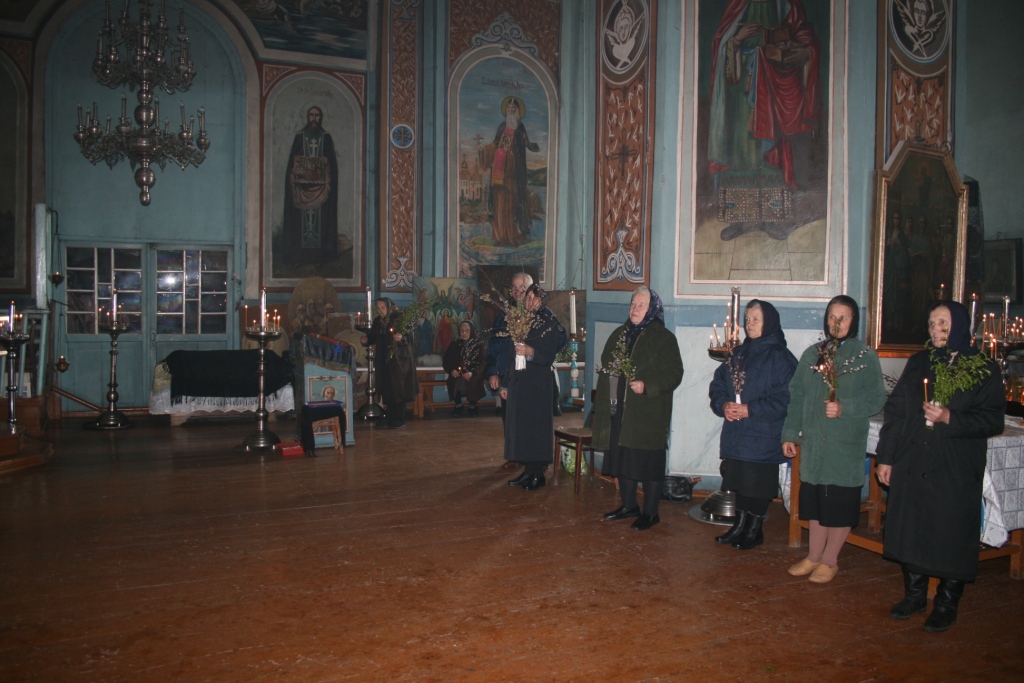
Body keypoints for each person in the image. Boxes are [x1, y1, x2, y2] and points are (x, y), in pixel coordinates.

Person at [875, 301, 1005, 632]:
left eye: (943, 324)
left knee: (950, 533)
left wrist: (950, 417)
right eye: (932, 324)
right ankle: (915, 596)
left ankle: (946, 603)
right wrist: (886, 457)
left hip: (954, 465)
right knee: (912, 528)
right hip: (913, 458)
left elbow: (992, 420)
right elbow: (896, 412)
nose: (936, 330)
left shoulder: (983, 368)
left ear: (959, 326)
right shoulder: (920, 362)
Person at [781, 295, 887, 582]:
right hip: (815, 444)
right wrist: (790, 434)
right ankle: (814, 556)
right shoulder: (812, 355)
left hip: (843, 445)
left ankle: (830, 561)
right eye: (831, 316)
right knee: (816, 504)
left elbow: (877, 398)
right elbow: (797, 397)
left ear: (854, 321)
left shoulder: (864, 357)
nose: (836, 322)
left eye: (843, 317)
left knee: (838, 505)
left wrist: (844, 408)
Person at [707, 0, 821, 241]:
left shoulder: (785, 3)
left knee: (770, 152)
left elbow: (803, 35)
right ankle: (738, 218)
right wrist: (736, 40)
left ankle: (772, 218)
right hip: (741, 92)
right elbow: (722, 40)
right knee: (741, 152)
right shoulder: (738, 4)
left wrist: (804, 52)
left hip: (773, 82)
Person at [593, 287, 684, 531]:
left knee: (649, 464)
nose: (634, 308)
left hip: (647, 413)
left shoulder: (663, 338)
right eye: (633, 303)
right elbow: (606, 360)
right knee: (623, 460)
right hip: (620, 410)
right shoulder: (620, 334)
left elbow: (675, 373)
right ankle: (629, 506)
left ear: (652, 309)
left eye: (641, 305)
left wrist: (647, 386)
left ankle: (651, 513)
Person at [709, 299, 797, 549]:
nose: (750, 323)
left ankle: (754, 529)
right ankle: (739, 525)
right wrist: (724, 405)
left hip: (763, 432)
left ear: (769, 321)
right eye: (747, 319)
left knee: (757, 485)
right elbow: (718, 384)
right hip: (738, 433)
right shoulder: (738, 353)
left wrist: (751, 409)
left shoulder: (781, 357)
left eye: (756, 319)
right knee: (740, 482)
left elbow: (787, 398)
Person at [503, 284, 566, 490]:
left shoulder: (549, 322)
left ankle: (538, 474)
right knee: (523, 428)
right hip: (521, 381)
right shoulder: (523, 319)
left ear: (542, 300)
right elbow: (511, 353)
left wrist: (530, 351)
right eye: (528, 297)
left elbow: (548, 356)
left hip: (538, 384)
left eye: (535, 298)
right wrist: (507, 381)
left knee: (536, 429)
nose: (530, 301)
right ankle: (528, 471)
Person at [479, 96, 540, 247]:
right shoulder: (502, 127)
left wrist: (530, 147)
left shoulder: (520, 128)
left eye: (513, 108)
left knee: (512, 205)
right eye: (509, 108)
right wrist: (485, 149)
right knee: (499, 205)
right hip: (499, 175)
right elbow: (495, 144)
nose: (511, 111)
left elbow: (523, 146)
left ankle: (512, 236)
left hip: (513, 174)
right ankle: (500, 237)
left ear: (517, 111)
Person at [282, 106, 339, 267]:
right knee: (301, 223)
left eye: (317, 115)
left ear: (321, 118)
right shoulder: (300, 137)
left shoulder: (326, 138)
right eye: (311, 115)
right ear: (307, 117)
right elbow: (293, 164)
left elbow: (332, 165)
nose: (314, 118)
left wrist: (326, 178)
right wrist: (295, 176)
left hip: (321, 191)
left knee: (320, 222)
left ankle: (319, 258)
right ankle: (300, 258)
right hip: (301, 190)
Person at [485, 272, 532, 427]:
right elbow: (493, 346)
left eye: (522, 287)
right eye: (514, 288)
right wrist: (493, 372)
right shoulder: (503, 316)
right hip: (508, 378)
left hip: (532, 379)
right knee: (510, 424)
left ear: (530, 289)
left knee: (530, 425)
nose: (518, 291)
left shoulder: (538, 314)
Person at [364, 298, 417, 430]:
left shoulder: (399, 318)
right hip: (384, 359)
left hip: (399, 359)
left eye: (382, 307)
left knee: (398, 388)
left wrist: (401, 338)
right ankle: (389, 417)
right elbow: (373, 337)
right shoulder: (378, 321)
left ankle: (399, 418)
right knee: (387, 388)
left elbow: (410, 338)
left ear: (389, 307)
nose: (380, 310)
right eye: (378, 308)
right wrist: (366, 340)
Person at [442, 321, 485, 417]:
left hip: (474, 373)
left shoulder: (478, 344)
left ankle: (473, 406)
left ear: (471, 331)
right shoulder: (454, 344)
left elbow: (483, 362)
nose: (464, 333)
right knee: (453, 380)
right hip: (458, 372)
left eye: (467, 330)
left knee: (473, 381)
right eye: (462, 330)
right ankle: (458, 405)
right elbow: (446, 360)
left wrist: (472, 372)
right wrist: (451, 370)